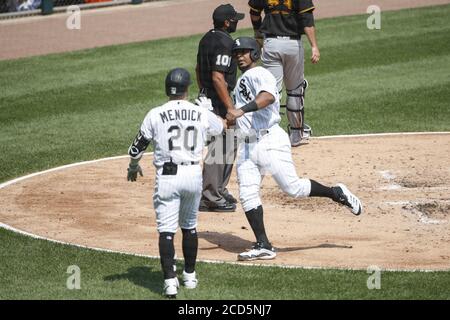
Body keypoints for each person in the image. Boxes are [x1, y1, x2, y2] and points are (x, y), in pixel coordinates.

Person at [226, 37, 362, 261]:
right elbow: (242, 116)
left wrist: (241, 111)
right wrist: (228, 120)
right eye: (236, 53)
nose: (239, 56)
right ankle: (263, 245)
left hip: (270, 141)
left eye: (244, 51)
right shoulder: (244, 80)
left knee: (293, 188)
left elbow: (268, 97)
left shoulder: (260, 74)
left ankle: (335, 192)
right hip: (248, 145)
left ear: (255, 54)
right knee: (247, 194)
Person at [126, 68, 225, 298]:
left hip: (168, 177)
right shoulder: (198, 112)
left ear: (167, 89)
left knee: (167, 230)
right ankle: (189, 277)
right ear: (187, 88)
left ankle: (170, 282)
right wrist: (207, 110)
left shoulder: (155, 114)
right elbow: (221, 128)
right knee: (189, 226)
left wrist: (133, 167)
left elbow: (136, 148)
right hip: (193, 175)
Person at [247, 0, 320, 147]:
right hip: (293, 44)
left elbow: (254, 12)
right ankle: (296, 134)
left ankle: (269, 133)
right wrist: (314, 46)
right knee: (294, 91)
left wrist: (258, 34)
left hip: (271, 44)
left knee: (271, 91)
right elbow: (307, 20)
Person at [195, 3, 245, 212]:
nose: (236, 23)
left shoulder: (206, 38)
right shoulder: (225, 42)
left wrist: (202, 92)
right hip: (218, 100)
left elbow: (198, 69)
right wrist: (229, 107)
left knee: (230, 142)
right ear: (227, 22)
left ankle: (219, 189)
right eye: (234, 20)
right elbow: (218, 77)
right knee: (221, 146)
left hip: (209, 97)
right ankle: (210, 196)